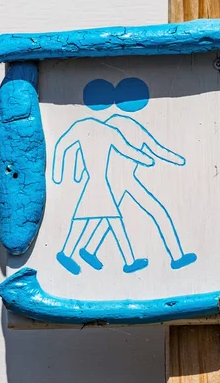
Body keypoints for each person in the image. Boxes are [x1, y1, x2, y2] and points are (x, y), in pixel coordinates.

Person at [52, 78, 196, 275]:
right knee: (118, 216)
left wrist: (75, 173)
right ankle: (170, 257)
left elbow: (83, 148)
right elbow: (151, 150)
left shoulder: (110, 125)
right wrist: (165, 160)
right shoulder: (116, 128)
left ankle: (88, 250)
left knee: (102, 217)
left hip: (121, 181)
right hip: (115, 182)